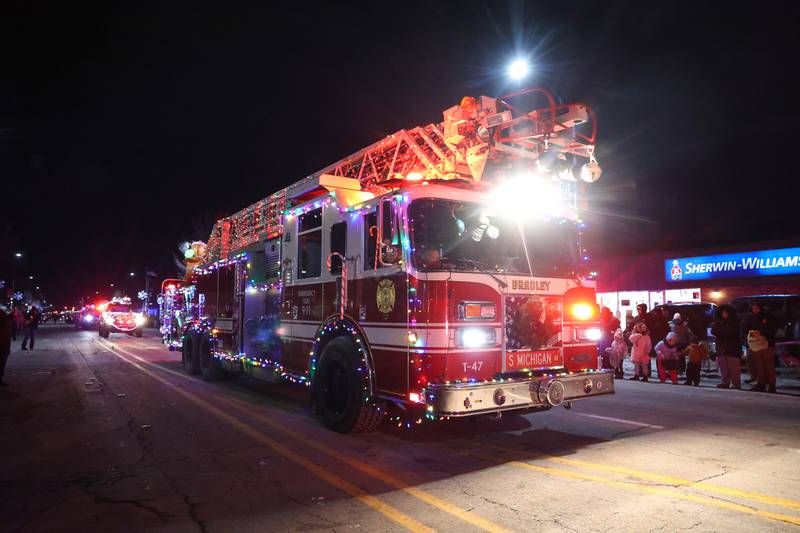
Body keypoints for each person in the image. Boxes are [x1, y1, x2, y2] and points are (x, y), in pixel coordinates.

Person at [740, 303, 777, 392]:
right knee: (759, 366)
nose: (755, 310)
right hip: (755, 345)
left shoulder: (768, 317)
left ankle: (772, 385)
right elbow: (744, 329)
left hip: (767, 345)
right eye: (753, 308)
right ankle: (761, 384)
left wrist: (762, 330)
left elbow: (773, 329)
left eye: (757, 308)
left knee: (769, 366)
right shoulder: (749, 317)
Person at [711, 304, 741, 389]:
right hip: (721, 348)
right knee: (723, 367)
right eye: (723, 313)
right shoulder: (718, 322)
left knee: (734, 368)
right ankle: (725, 382)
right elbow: (714, 331)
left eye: (726, 313)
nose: (724, 314)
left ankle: (736, 384)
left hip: (732, 348)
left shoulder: (735, 322)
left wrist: (722, 331)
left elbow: (732, 332)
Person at [0, 306, 11, 386]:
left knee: (2, 363)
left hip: (4, 346)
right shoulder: (5, 324)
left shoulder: (3, 316)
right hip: (3, 346)